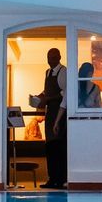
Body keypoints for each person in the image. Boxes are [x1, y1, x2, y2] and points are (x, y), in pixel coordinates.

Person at [41, 46, 68, 189]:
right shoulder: (47, 73)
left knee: (59, 147)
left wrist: (49, 98)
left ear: (59, 58)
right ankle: (52, 178)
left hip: (59, 113)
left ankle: (60, 178)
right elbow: (47, 91)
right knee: (50, 146)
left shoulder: (63, 72)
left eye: (52, 58)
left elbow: (65, 93)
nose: (50, 61)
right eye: (48, 58)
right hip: (49, 112)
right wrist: (40, 97)